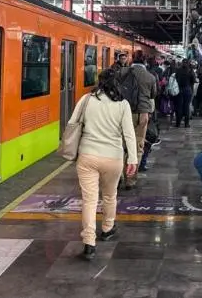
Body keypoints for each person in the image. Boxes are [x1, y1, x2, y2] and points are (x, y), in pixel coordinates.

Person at [70, 69, 138, 261]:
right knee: (109, 195)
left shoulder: (86, 100)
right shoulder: (122, 104)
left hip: (87, 155)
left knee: (89, 200)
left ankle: (89, 243)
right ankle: (107, 228)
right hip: (113, 157)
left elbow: (72, 123)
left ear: (99, 82)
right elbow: (129, 134)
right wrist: (132, 159)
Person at [117, 51, 157, 188]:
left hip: (123, 112)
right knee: (138, 146)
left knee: (120, 145)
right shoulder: (150, 77)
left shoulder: (121, 72)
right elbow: (153, 95)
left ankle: (118, 176)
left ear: (131, 59)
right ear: (145, 61)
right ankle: (130, 179)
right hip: (142, 114)